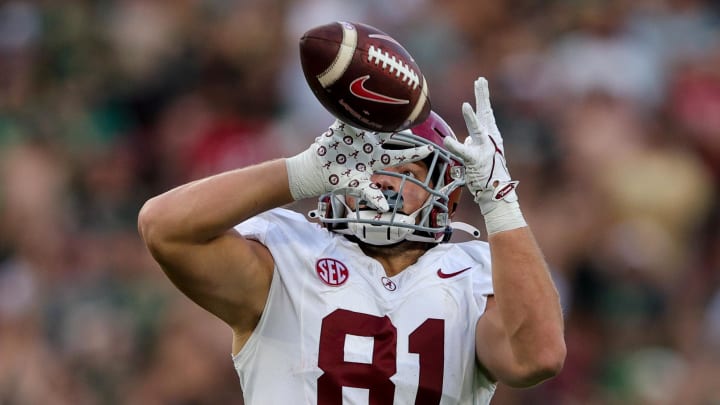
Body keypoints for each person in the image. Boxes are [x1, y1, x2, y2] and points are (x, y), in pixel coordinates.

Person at [138, 77, 566, 404]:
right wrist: (297, 173)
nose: (381, 179)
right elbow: (164, 227)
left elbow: (539, 356)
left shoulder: (472, 275)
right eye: (366, 163)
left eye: (405, 169)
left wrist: (500, 202)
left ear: (446, 191)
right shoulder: (288, 253)